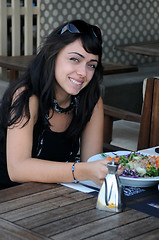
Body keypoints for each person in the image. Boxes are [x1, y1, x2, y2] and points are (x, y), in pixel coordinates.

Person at [0, 19, 122, 190]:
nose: (82, 73)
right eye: (74, 59)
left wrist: (99, 170)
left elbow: (91, 164)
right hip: (9, 197)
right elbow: (17, 169)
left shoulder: (91, 100)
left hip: (54, 196)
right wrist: (83, 170)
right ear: (53, 55)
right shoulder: (27, 96)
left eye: (91, 65)